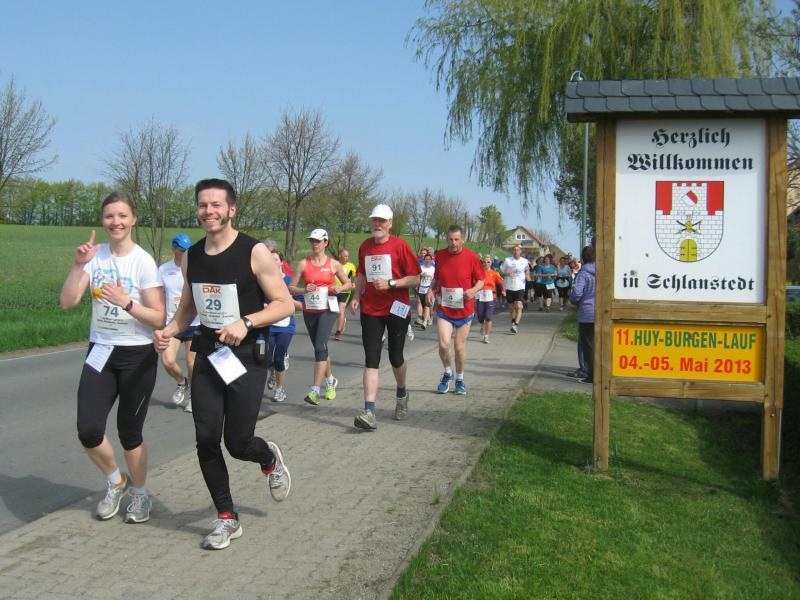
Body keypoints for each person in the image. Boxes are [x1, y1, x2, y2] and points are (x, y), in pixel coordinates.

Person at [153, 178, 294, 550]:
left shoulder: (254, 251)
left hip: (246, 356)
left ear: (232, 209)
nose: (208, 211)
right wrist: (168, 330)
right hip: (209, 354)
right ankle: (227, 517)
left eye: (216, 204)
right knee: (205, 437)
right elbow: (188, 308)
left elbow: (284, 304)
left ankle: (268, 458)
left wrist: (246, 322)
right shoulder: (193, 255)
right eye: (203, 205)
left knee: (238, 441)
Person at [59, 191, 165, 524]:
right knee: (88, 430)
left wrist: (126, 302)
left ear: (133, 219)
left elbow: (159, 317)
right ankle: (116, 481)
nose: (115, 222)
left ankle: (140, 494)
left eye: (122, 215)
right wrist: (79, 265)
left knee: (130, 433)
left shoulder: (142, 261)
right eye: (109, 216)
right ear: (102, 221)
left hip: (137, 355)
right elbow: (67, 301)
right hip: (101, 351)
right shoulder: (95, 257)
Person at [350, 203, 420, 429]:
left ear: (390, 223)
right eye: (374, 220)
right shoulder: (365, 246)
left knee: (395, 357)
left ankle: (402, 394)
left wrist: (392, 283)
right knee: (371, 359)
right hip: (371, 309)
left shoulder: (400, 246)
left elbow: (416, 278)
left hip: (397, 308)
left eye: (381, 221)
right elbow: (361, 274)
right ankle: (369, 411)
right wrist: (356, 296)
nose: (377, 224)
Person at [288, 229, 352, 405]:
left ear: (326, 243)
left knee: (319, 346)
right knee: (320, 348)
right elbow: (291, 288)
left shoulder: (334, 264)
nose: (314, 244)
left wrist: (340, 288)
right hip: (310, 310)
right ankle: (330, 380)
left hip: (328, 309)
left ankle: (315, 390)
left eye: (318, 241)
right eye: (312, 241)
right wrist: (303, 290)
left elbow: (349, 283)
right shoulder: (303, 264)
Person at [428, 225, 485, 395]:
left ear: (463, 240)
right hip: (445, 308)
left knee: (459, 348)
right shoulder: (440, 256)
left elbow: (481, 280)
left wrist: (473, 290)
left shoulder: (472, 257)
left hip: (464, 309)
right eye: (450, 239)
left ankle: (459, 379)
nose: (453, 243)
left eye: (456, 239)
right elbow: (437, 278)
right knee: (443, 344)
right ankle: (447, 373)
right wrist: (431, 290)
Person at [158, 233, 199, 413]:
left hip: (194, 322)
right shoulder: (163, 269)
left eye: (188, 250)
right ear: (174, 249)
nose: (185, 253)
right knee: (167, 361)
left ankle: (193, 397)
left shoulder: (196, 267)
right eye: (182, 250)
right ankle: (182, 381)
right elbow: (159, 297)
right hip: (172, 323)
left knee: (192, 363)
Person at [265, 248, 303, 403]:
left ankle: (280, 390)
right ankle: (273, 372)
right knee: (267, 358)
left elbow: (301, 305)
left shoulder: (289, 281)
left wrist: (288, 301)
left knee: (279, 358)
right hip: (268, 325)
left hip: (286, 326)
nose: (272, 262)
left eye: (275, 259)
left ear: (281, 262)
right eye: (269, 259)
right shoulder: (263, 280)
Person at [570, 246, 596, 384]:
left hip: (587, 312)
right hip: (602, 311)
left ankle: (591, 374)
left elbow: (577, 293)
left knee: (588, 346)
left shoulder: (583, 273)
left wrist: (573, 301)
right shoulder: (604, 271)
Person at [500, 244, 531, 333]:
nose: (516, 251)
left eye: (518, 250)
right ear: (513, 251)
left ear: (520, 251)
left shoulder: (525, 261)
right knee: (511, 306)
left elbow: (527, 271)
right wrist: (507, 274)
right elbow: (501, 272)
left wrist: (529, 279)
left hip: (520, 286)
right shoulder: (507, 260)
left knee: (518, 305)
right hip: (509, 285)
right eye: (514, 250)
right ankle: (513, 321)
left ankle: (516, 325)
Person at [476, 254, 505, 344]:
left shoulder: (494, 273)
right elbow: (472, 282)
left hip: (491, 296)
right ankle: (482, 324)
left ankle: (486, 336)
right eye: (484, 262)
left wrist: (503, 290)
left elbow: (501, 283)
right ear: (482, 263)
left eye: (488, 262)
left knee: (488, 317)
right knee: (480, 316)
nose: (486, 263)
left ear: (491, 262)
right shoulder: (478, 273)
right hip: (480, 296)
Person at [334, 248, 356, 341]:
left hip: (345, 292)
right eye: (345, 256)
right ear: (340, 256)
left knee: (340, 311)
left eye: (348, 256)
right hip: (333, 291)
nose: (347, 258)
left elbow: (355, 278)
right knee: (334, 312)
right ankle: (343, 321)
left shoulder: (351, 266)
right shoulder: (334, 264)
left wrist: (354, 284)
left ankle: (338, 331)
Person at [414, 252, 436, 329]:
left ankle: (425, 322)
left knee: (427, 305)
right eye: (426, 259)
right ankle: (424, 318)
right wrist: (421, 275)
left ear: (431, 260)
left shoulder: (433, 269)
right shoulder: (421, 268)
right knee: (422, 304)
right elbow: (416, 277)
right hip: (421, 288)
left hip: (429, 289)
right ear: (424, 260)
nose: (427, 260)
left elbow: (435, 280)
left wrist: (433, 289)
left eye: (429, 259)